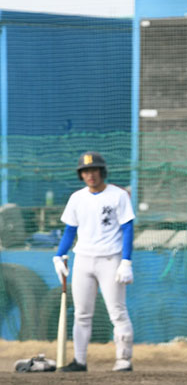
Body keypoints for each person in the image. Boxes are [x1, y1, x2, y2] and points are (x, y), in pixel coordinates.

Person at [52, 151, 136, 372]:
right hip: (83, 259)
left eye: (94, 170)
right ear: (81, 175)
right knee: (81, 313)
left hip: (111, 259)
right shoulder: (77, 198)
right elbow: (70, 231)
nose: (91, 175)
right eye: (86, 171)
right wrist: (59, 254)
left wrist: (126, 261)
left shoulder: (118, 195)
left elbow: (128, 228)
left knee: (117, 311)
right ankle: (79, 361)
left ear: (102, 171)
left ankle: (123, 360)